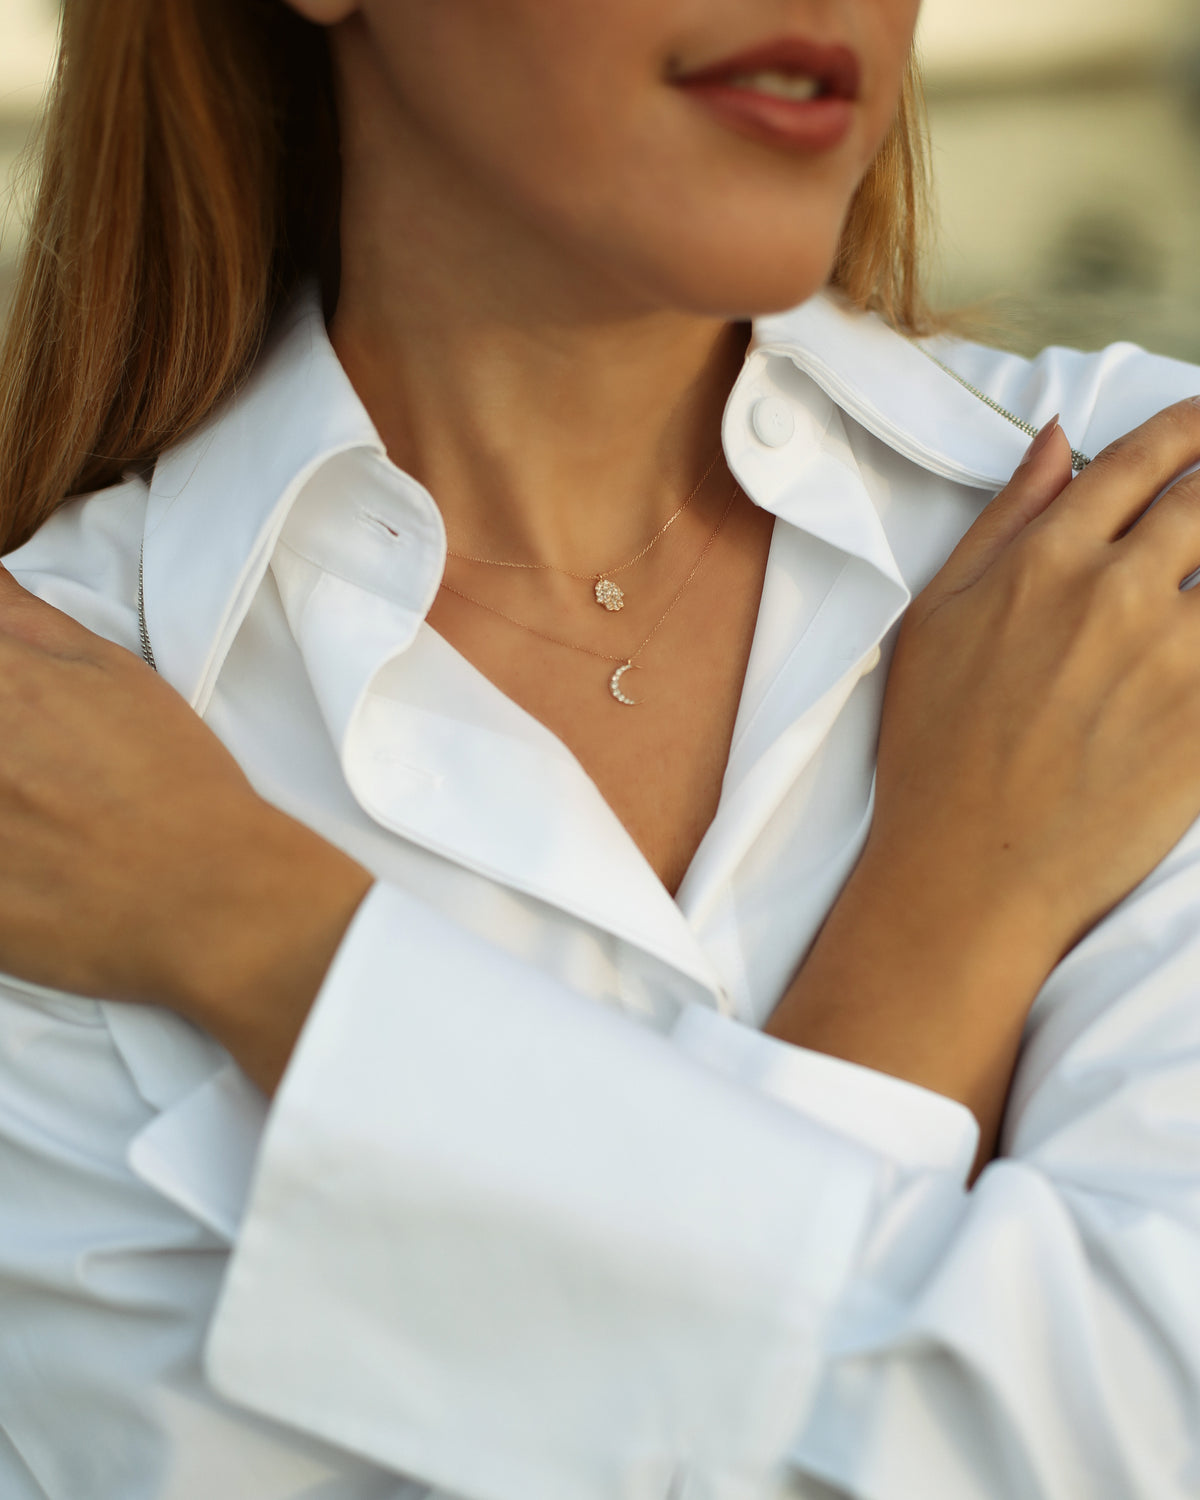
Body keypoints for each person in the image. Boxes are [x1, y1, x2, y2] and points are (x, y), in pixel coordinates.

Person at [3, 0, 1200, 1496]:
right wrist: (968, 923)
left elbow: (1145, 1431)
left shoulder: (1152, 515)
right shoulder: (45, 735)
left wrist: (267, 948)